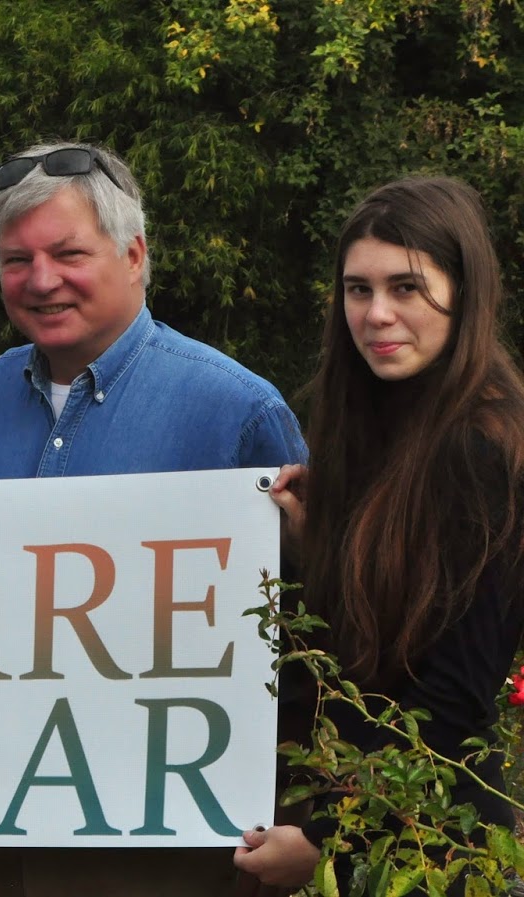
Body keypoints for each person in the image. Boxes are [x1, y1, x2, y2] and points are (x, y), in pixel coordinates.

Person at [0, 142, 306, 897]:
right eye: (17, 260)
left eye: (68, 253)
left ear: (134, 254)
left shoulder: (239, 413)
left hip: (164, 846)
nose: (41, 279)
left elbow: (308, 646)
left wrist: (307, 822)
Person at [233, 177, 524, 892]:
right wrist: (323, 540)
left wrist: (323, 840)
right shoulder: (382, 429)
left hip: (430, 848)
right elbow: (372, 649)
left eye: (406, 287)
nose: (376, 313)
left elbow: (453, 696)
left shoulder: (483, 446)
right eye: (357, 289)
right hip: (377, 827)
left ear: (464, 293)